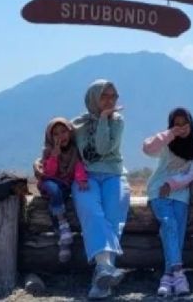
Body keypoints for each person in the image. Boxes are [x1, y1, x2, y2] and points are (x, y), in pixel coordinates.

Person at [71, 79, 131, 300]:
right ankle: (106, 271)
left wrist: (105, 118)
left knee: (114, 217)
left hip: (114, 174)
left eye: (113, 96)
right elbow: (63, 146)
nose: (110, 100)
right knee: (91, 212)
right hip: (86, 176)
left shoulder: (117, 121)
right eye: (104, 96)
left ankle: (101, 279)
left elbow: (105, 148)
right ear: (93, 98)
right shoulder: (77, 123)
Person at [142, 107, 193, 297]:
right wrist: (169, 134)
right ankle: (178, 272)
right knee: (168, 222)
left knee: (178, 231)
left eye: (185, 124)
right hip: (158, 191)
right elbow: (147, 148)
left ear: (191, 125)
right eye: (177, 124)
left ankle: (167, 277)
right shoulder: (166, 143)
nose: (181, 128)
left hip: (180, 194)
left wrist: (173, 183)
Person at [33, 117, 88, 263]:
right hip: (50, 183)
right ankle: (63, 223)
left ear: (70, 132)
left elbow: (78, 167)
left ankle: (64, 242)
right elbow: (48, 174)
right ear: (50, 137)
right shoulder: (48, 151)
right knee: (54, 191)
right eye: (55, 134)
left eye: (63, 131)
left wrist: (81, 180)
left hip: (65, 184)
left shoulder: (75, 151)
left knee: (55, 203)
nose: (60, 136)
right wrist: (54, 157)